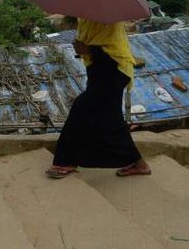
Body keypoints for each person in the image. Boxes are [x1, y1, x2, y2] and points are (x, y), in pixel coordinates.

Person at [45, 18, 151, 179]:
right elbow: (87, 44)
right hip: (99, 71)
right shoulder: (86, 18)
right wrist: (84, 48)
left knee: (80, 109)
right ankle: (138, 163)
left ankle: (65, 161)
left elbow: (113, 51)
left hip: (114, 71)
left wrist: (89, 49)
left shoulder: (109, 20)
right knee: (111, 118)